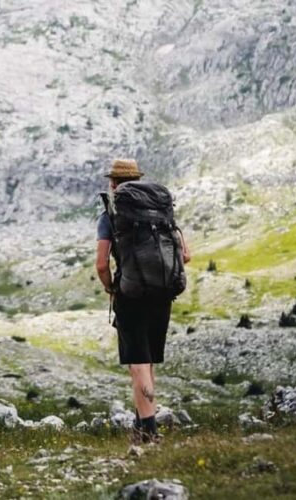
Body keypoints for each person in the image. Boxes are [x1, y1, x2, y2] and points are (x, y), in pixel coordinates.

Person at [95, 159, 191, 443]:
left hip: (131, 295)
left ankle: (148, 432)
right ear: (138, 179)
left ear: (114, 184)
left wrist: (112, 287)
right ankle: (142, 425)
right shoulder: (160, 211)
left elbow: (101, 264)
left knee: (137, 363)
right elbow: (185, 255)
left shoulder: (111, 216)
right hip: (162, 294)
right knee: (148, 362)